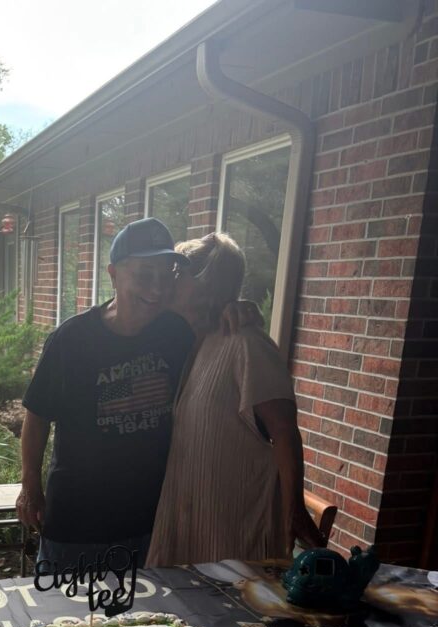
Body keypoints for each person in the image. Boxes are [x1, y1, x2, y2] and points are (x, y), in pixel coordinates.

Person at [16, 217, 260, 570]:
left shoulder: (177, 333)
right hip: (75, 522)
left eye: (166, 275)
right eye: (145, 275)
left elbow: (215, 327)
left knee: (141, 621)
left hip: (150, 523)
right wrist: (30, 486)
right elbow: (36, 416)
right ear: (113, 273)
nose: (157, 288)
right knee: (61, 621)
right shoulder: (72, 339)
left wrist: (238, 308)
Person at [146, 233, 324, 567]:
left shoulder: (246, 343)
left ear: (205, 281)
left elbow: (284, 431)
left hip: (232, 531)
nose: (166, 283)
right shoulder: (196, 341)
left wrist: (294, 509)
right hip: (189, 522)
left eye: (176, 274)